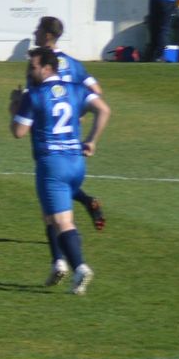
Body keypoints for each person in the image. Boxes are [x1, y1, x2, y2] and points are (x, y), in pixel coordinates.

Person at [11, 46, 109, 295]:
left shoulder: (33, 95)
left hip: (51, 164)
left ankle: (80, 268)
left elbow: (18, 132)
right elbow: (104, 109)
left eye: (32, 67)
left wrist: (14, 107)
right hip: (76, 162)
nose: (28, 72)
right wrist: (92, 140)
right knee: (50, 216)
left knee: (63, 222)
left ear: (47, 68)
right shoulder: (76, 90)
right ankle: (58, 262)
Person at [30, 16, 107, 233]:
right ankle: (85, 201)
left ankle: (61, 254)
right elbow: (96, 91)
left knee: (51, 182)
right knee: (63, 177)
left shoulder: (38, 65)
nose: (34, 33)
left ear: (47, 35)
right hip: (68, 131)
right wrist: (77, 111)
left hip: (46, 132)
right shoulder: (72, 64)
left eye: (37, 29)